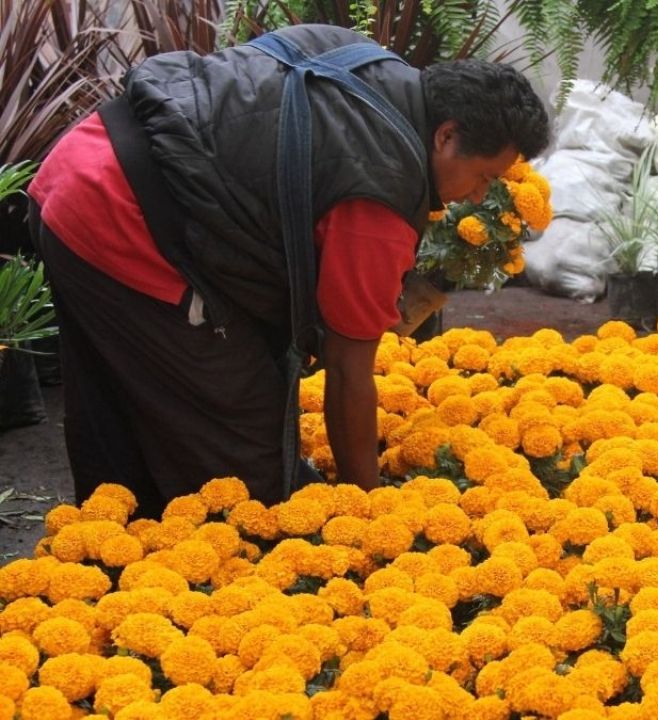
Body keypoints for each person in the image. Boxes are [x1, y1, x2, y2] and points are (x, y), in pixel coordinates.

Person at [26, 24, 550, 518]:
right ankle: (147, 552)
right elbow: (348, 371)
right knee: (248, 464)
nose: (479, 196)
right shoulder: (380, 192)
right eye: (483, 177)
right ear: (446, 135)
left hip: (85, 157)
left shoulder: (371, 65)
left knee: (123, 401)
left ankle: (113, 534)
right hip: (119, 218)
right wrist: (366, 506)